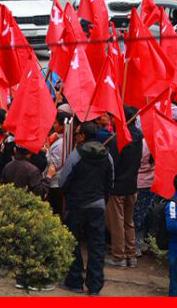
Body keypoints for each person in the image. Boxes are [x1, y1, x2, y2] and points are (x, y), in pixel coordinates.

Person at [59, 122, 113, 296]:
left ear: (82, 136)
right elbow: (110, 183)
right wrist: (102, 199)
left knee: (72, 242)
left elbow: (62, 181)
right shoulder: (107, 156)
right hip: (97, 206)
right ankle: (95, 286)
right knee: (97, 246)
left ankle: (74, 281)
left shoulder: (76, 156)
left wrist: (69, 195)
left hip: (76, 205)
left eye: (77, 134)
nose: (75, 137)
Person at [106, 115, 143, 267]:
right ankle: (131, 254)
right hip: (132, 185)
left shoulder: (118, 139)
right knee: (129, 222)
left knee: (117, 222)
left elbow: (113, 165)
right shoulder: (139, 138)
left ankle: (119, 256)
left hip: (117, 187)